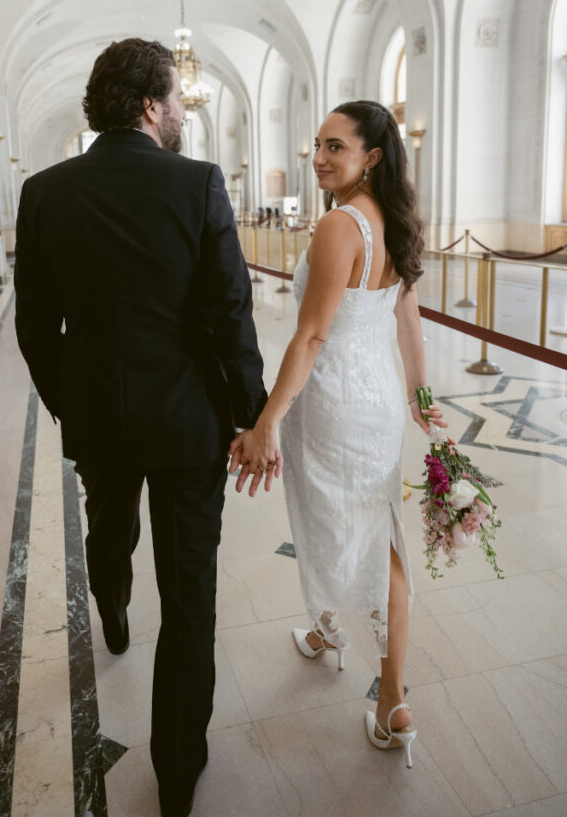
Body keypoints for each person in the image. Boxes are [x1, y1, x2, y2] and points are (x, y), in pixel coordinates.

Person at [14, 38, 270, 817]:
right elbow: (230, 315)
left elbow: (33, 324)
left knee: (109, 516)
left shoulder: (45, 190)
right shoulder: (195, 184)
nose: (184, 112)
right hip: (188, 419)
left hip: (97, 410)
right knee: (191, 590)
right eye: (179, 101)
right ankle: (175, 769)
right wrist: (250, 415)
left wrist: (72, 402)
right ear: (152, 105)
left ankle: (113, 598)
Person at [229, 100, 446, 769]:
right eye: (315, 144)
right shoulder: (396, 220)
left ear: (370, 156)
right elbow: (405, 316)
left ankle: (390, 698)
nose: (318, 157)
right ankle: (332, 636)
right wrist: (417, 394)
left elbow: (313, 335)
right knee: (365, 526)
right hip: (375, 397)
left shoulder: (338, 224)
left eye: (334, 146)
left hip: (331, 403)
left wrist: (267, 419)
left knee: (346, 530)